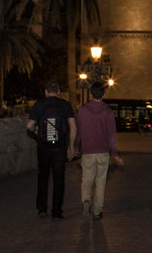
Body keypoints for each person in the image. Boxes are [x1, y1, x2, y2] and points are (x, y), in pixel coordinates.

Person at [25, 81, 77, 220]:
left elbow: (29, 125)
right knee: (59, 179)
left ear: (46, 91)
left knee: (43, 177)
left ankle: (42, 209)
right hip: (59, 147)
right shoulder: (65, 105)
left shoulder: (40, 104)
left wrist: (37, 131)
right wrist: (71, 147)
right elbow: (73, 127)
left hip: (43, 146)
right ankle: (57, 212)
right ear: (59, 91)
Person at [76, 81, 122, 220]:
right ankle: (96, 211)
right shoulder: (107, 111)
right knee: (100, 182)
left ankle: (85, 200)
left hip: (88, 151)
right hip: (102, 152)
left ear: (91, 93)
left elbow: (79, 131)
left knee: (86, 180)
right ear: (103, 94)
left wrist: (76, 146)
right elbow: (111, 135)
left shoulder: (82, 110)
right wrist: (114, 154)